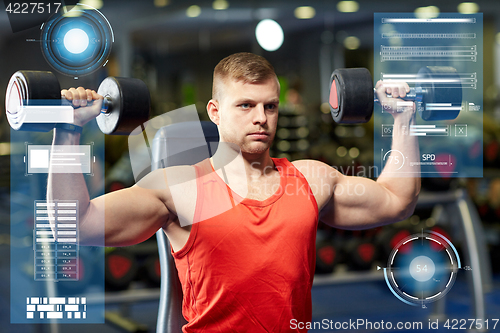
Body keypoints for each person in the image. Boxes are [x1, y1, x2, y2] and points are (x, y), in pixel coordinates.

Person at [48, 52, 420, 332]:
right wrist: (67, 132)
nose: (261, 117)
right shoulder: (181, 188)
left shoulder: (309, 179)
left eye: (269, 106)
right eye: (245, 105)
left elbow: (396, 200)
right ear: (215, 111)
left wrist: (403, 120)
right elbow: (76, 225)